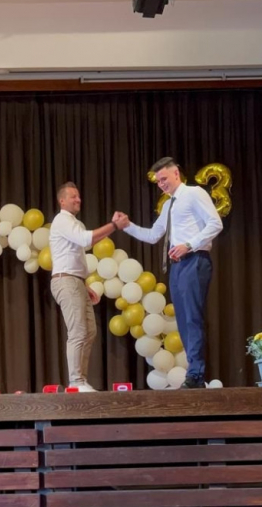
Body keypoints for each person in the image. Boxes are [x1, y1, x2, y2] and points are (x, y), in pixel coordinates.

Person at [114, 157, 223, 388]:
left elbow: (215, 224)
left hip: (194, 259)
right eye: (158, 181)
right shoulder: (168, 205)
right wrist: (127, 226)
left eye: (164, 178)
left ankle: (196, 373)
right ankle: (194, 372)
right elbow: (154, 235)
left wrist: (189, 245)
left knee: (191, 316)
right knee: (183, 319)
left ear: (176, 174)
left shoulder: (194, 193)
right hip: (178, 265)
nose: (161, 184)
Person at [50, 182, 127, 392]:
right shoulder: (62, 220)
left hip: (76, 281)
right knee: (78, 331)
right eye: (73, 197)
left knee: (89, 331)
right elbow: (86, 239)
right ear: (62, 201)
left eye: (79, 196)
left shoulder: (74, 223)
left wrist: (84, 284)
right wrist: (114, 226)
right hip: (66, 280)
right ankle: (75, 381)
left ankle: (80, 380)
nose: (78, 200)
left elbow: (86, 244)